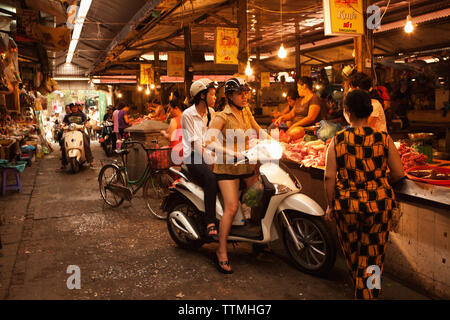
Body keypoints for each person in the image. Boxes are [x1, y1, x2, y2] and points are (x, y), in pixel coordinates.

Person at [324, 90, 405, 300]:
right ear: (369, 112)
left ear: (347, 112)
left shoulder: (338, 140)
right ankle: (370, 294)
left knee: (354, 255)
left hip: (347, 206)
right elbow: (398, 173)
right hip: (379, 206)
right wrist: (378, 183)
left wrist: (330, 205)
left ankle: (364, 293)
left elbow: (328, 178)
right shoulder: (383, 138)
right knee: (373, 257)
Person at [207, 77, 270, 274]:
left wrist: (276, 141)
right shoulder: (221, 116)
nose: (245, 96)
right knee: (232, 207)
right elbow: (209, 141)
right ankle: (222, 250)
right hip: (227, 168)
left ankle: (255, 238)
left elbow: (258, 130)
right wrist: (230, 152)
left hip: (246, 164)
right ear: (230, 96)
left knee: (260, 194)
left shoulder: (246, 111)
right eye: (240, 93)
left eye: (246, 93)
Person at [181, 78, 218, 240]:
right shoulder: (188, 115)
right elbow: (195, 144)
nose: (215, 97)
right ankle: (210, 221)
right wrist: (212, 161)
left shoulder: (212, 113)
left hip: (209, 152)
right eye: (212, 94)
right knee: (211, 178)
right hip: (193, 156)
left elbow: (215, 137)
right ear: (202, 96)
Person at [61, 103, 94, 168]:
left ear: (77, 108)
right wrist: (62, 126)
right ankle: (64, 163)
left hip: (80, 132)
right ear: (71, 108)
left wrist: (85, 125)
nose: (74, 108)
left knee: (86, 142)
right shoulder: (67, 116)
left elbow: (85, 122)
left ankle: (90, 161)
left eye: (75, 107)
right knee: (63, 143)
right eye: (73, 107)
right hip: (69, 133)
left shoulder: (82, 115)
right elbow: (64, 123)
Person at [161, 97, 184, 162]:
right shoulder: (187, 118)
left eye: (170, 109)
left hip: (176, 150)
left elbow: (171, 137)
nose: (169, 111)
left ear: (176, 108)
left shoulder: (174, 120)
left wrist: (163, 133)